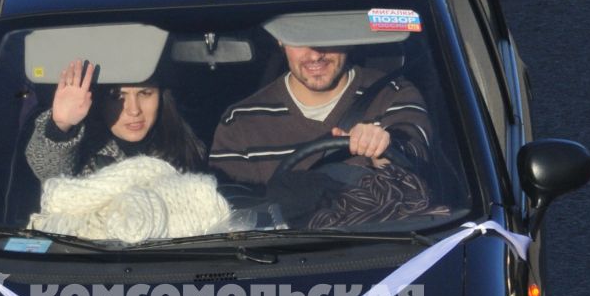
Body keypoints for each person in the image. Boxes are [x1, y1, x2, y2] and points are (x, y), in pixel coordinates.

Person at [209, 36, 432, 190]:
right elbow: (233, 215)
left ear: (348, 38)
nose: (315, 55)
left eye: (327, 38)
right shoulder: (240, 122)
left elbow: (416, 167)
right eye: (299, 39)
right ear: (280, 40)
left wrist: (382, 149)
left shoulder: (393, 95)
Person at [25, 59, 206, 184]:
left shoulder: (186, 148)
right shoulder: (84, 154)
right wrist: (61, 126)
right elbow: (49, 170)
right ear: (99, 102)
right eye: (117, 96)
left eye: (145, 93)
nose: (134, 110)